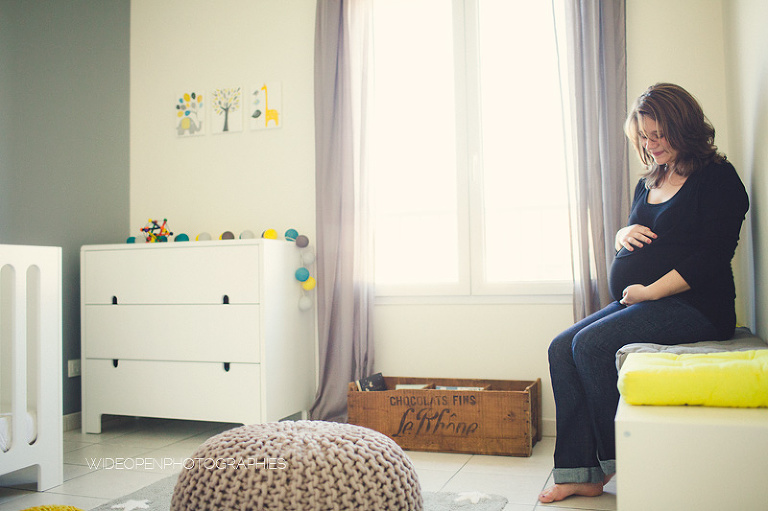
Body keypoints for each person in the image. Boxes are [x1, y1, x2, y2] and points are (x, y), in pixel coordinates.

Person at [538, 83, 749, 503]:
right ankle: (581, 471)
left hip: (696, 307)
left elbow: (712, 256)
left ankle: (626, 461)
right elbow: (636, 236)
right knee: (561, 347)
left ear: (684, 127)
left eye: (658, 135)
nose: (651, 146)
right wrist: (621, 232)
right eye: (643, 138)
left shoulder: (718, 179)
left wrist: (650, 292)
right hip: (643, 299)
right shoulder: (652, 178)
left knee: (591, 345)